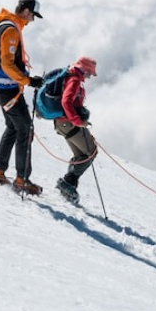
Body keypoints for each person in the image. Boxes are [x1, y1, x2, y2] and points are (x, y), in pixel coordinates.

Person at [0, 0, 44, 195]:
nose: (32, 21)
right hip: (7, 89)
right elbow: (7, 64)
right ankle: (22, 179)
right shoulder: (11, 29)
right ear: (26, 11)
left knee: (13, 128)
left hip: (2, 88)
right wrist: (28, 81)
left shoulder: (6, 23)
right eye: (33, 16)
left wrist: (26, 79)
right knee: (25, 130)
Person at [53, 56, 98, 203]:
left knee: (80, 155)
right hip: (68, 123)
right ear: (84, 70)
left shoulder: (71, 76)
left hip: (63, 123)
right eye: (89, 74)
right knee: (91, 152)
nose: (89, 77)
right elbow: (66, 102)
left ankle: (69, 186)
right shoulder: (74, 80)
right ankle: (68, 182)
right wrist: (78, 121)